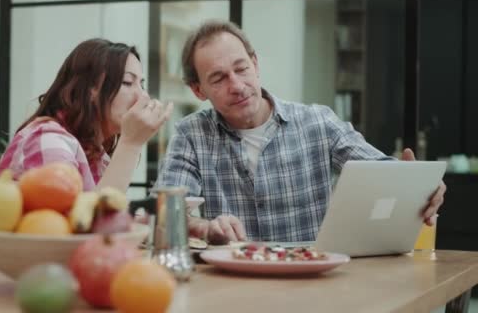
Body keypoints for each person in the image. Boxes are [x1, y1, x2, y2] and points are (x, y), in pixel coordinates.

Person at [154, 20, 446, 245]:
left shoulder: (317, 122)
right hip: (231, 284)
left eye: (241, 69)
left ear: (255, 64)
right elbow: (170, 214)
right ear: (198, 90)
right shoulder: (191, 134)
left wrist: (420, 186)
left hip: (313, 279)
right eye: (218, 78)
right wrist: (206, 227)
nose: (237, 85)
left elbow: (381, 172)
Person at [0, 38, 173, 192]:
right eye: (127, 82)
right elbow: (81, 226)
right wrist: (131, 144)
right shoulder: (49, 140)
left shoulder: (95, 153)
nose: (143, 96)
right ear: (90, 89)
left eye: (141, 84)